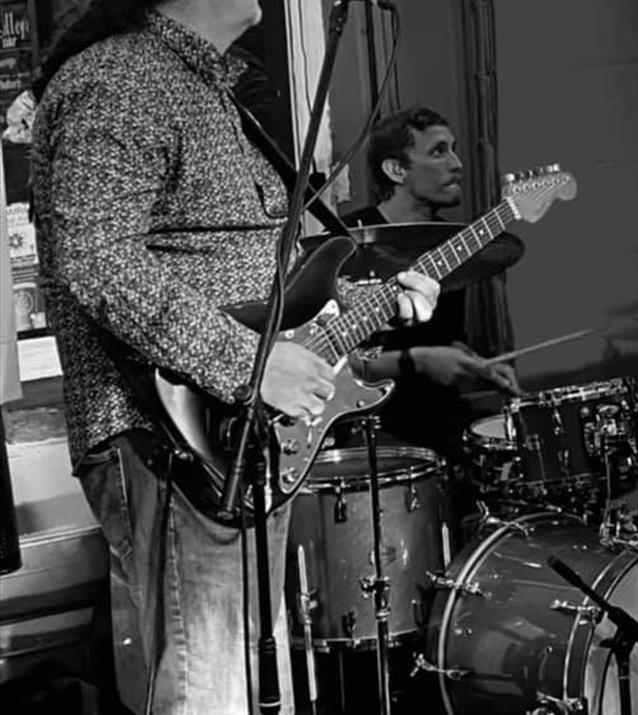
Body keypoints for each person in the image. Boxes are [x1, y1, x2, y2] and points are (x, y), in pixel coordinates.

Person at [29, 2, 439, 713]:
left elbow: (258, 280)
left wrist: (372, 299)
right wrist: (249, 366)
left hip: (238, 436)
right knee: (205, 690)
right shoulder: (119, 77)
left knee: (234, 688)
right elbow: (93, 257)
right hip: (171, 435)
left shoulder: (213, 89)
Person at [343, 106, 521, 456]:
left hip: (442, 428)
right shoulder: (345, 242)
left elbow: (440, 339)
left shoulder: (450, 244)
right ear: (396, 170)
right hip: (370, 439)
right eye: (439, 152)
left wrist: (476, 364)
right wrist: (418, 360)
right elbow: (332, 362)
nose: (457, 163)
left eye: (453, 149)